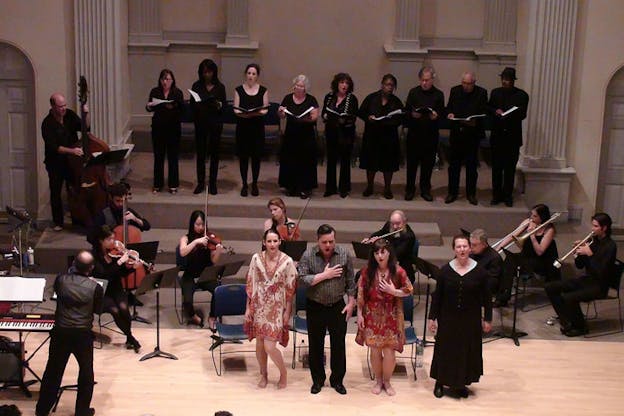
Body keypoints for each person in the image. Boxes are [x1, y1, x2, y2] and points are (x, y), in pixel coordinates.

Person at [36, 250, 103, 416]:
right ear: (91, 268)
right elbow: (98, 310)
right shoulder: (95, 287)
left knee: (53, 371)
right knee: (86, 372)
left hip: (61, 332)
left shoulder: (61, 280)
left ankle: (42, 409)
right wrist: (91, 282)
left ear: (74, 264)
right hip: (82, 334)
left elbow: (58, 295)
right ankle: (82, 411)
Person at [428, 235, 492, 399]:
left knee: (465, 350)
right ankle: (440, 382)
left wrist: (488, 319)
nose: (462, 249)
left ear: (470, 248)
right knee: (445, 349)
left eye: (465, 246)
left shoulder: (480, 272)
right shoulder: (445, 271)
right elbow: (438, 297)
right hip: (448, 317)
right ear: (454, 250)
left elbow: (486, 297)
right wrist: (432, 318)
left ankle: (460, 383)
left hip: (470, 319)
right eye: (458, 247)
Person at [297, 224, 356, 395]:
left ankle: (337, 380)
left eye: (331, 241)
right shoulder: (308, 255)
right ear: (318, 241)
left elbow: (351, 281)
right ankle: (318, 380)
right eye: (324, 242)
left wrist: (351, 302)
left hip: (337, 305)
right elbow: (301, 280)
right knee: (316, 345)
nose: (328, 245)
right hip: (315, 306)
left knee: (338, 345)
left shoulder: (344, 254)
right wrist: (324, 275)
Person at [545, 213, 617, 337]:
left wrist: (590, 254)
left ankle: (580, 327)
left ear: (604, 228)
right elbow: (580, 266)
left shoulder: (610, 246)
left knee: (568, 297)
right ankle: (567, 321)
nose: (592, 229)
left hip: (600, 285)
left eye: (595, 226)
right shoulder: (593, 242)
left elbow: (602, 272)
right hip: (587, 280)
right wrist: (578, 254)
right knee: (550, 287)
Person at [356, 239, 413, 396]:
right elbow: (361, 295)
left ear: (389, 253)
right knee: (375, 350)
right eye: (376, 252)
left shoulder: (398, 271)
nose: (379, 256)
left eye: (383, 252)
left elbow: (409, 290)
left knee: (389, 352)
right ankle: (378, 380)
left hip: (391, 316)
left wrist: (393, 291)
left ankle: (387, 381)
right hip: (372, 316)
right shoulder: (367, 272)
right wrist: (360, 315)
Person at [244, 228, 297, 389]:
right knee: (260, 344)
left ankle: (283, 372)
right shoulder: (256, 259)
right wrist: (247, 308)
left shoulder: (287, 261)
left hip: (277, 308)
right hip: (259, 306)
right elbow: (250, 283)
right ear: (264, 242)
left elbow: (290, 289)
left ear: (280, 241)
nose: (272, 244)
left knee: (270, 346)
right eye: (269, 241)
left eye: (275, 241)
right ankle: (264, 374)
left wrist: (287, 312)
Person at [495, 203, 560, 307]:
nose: (531, 218)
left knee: (512, 263)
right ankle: (502, 296)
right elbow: (512, 236)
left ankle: (502, 297)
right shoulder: (528, 222)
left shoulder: (549, 230)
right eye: (531, 214)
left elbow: (540, 252)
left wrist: (532, 235)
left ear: (542, 217)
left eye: (534, 216)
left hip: (541, 260)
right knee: (509, 260)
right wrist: (498, 248)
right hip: (527, 255)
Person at [41, 92, 89, 231]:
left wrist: (86, 114)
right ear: (53, 106)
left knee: (75, 189)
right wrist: (72, 151)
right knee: (56, 192)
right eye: (60, 106)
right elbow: (55, 147)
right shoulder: (47, 123)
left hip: (71, 162)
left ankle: (77, 219)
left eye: (64, 105)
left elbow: (85, 128)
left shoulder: (69, 115)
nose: (63, 109)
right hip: (55, 163)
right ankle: (58, 222)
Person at [91, 226, 142, 352]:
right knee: (115, 310)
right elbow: (104, 275)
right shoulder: (94, 256)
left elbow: (119, 273)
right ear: (101, 241)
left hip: (116, 288)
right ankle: (130, 338)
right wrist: (120, 262)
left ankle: (129, 338)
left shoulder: (113, 253)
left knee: (124, 308)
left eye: (114, 239)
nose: (113, 242)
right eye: (109, 239)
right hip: (103, 292)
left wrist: (131, 268)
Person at [358, 74, 404, 199]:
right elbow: (361, 112)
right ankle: (370, 186)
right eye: (387, 84)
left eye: (391, 85)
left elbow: (401, 118)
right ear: (382, 84)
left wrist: (389, 120)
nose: (389, 87)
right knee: (371, 162)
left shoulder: (396, 101)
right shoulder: (372, 98)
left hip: (389, 136)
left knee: (388, 163)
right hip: (372, 134)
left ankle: (387, 188)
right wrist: (369, 117)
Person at [488, 67, 529, 207]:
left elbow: (523, 114)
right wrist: (496, 111)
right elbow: (489, 108)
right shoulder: (495, 93)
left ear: (513, 81)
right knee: (497, 168)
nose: (505, 82)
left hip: (512, 137)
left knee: (510, 168)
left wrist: (510, 114)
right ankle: (496, 195)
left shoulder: (522, 95)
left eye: (508, 80)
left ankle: (507, 195)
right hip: (497, 135)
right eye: (503, 79)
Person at [445, 72, 488, 205]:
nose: (466, 86)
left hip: (472, 134)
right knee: (454, 165)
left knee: (471, 166)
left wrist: (474, 121)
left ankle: (471, 193)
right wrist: (450, 114)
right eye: (464, 83)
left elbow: (483, 112)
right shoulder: (455, 90)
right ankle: (452, 192)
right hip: (457, 132)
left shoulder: (481, 93)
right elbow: (449, 108)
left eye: (469, 84)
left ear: (474, 83)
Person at [404, 66, 445, 201]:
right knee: (412, 164)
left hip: (430, 134)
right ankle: (410, 189)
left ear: (432, 79)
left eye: (427, 80)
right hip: (414, 134)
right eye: (422, 80)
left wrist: (436, 116)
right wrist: (412, 114)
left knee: (428, 164)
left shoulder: (439, 95)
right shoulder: (413, 92)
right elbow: (407, 111)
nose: (424, 83)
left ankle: (425, 189)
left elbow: (441, 114)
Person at [178, 210, 225, 328]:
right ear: (192, 224)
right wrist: (195, 242)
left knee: (218, 291)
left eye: (202, 224)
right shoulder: (186, 238)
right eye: (197, 224)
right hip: (190, 275)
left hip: (206, 275)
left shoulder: (209, 238)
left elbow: (214, 261)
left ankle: (212, 316)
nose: (200, 227)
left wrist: (218, 250)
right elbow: (183, 252)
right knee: (187, 301)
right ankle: (193, 316)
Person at [278, 75, 319, 199]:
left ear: (305, 88)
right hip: (291, 134)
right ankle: (291, 186)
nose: (299, 88)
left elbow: (314, 116)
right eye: (297, 85)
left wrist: (306, 118)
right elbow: (282, 116)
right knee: (290, 160)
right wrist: (281, 111)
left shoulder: (311, 99)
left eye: (301, 86)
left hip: (306, 135)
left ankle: (305, 188)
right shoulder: (288, 98)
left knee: (305, 161)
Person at [190, 59, 226, 195]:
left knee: (215, 154)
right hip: (201, 123)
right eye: (204, 72)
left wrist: (218, 104)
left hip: (215, 124)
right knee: (200, 154)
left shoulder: (220, 87)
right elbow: (192, 105)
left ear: (214, 72)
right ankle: (200, 183)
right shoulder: (197, 86)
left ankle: (212, 183)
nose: (207, 75)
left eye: (209, 72)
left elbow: (224, 106)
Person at [146, 69, 184, 194]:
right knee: (158, 156)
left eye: (167, 79)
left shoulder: (177, 93)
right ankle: (158, 184)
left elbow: (183, 110)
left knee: (173, 157)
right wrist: (149, 106)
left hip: (173, 128)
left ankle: (173, 184)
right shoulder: (155, 91)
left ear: (172, 80)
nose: (165, 82)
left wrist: (172, 107)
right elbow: (149, 107)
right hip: (158, 128)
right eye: (163, 79)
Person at [234, 63, 269, 197]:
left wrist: (254, 113)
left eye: (254, 74)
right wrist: (245, 114)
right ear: (245, 74)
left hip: (257, 127)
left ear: (257, 76)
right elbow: (236, 109)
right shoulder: (239, 90)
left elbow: (265, 109)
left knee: (256, 158)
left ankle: (254, 184)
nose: (251, 76)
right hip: (243, 127)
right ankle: (244, 184)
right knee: (243, 157)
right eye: (249, 73)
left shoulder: (263, 90)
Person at [321, 73, 359, 198]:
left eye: (347, 83)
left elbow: (353, 117)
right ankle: (330, 188)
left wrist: (345, 120)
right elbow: (324, 113)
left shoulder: (352, 98)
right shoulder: (329, 96)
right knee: (331, 160)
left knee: (345, 160)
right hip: (331, 131)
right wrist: (325, 116)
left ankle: (344, 188)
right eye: (342, 82)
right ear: (336, 84)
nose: (344, 85)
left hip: (346, 133)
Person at [363, 210, 418, 284]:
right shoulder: (389, 225)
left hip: (401, 266)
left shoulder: (409, 236)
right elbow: (380, 232)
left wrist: (381, 243)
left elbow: (396, 254)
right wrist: (371, 239)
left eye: (398, 224)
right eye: (393, 224)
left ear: (404, 222)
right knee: (362, 275)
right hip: (385, 263)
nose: (395, 227)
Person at [469, 229, 503, 303]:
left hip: (482, 291)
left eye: (474, 245)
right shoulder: (470, 254)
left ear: (484, 244)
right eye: (470, 244)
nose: (471, 247)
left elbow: (492, 282)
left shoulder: (494, 258)